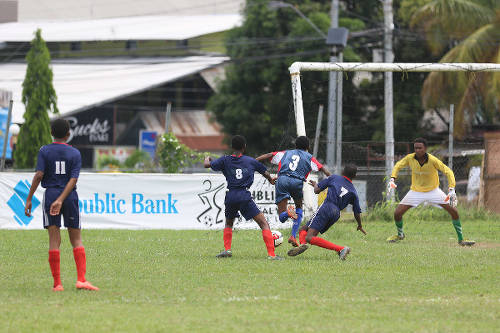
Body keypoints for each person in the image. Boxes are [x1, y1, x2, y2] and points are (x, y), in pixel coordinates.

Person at [25, 118, 99, 291]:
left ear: (51, 133)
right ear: (68, 134)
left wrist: (29, 198)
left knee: (54, 239)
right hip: (70, 196)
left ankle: (57, 284)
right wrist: (63, 199)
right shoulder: (75, 153)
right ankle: (81, 280)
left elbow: (38, 176)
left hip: (51, 195)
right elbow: (73, 179)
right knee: (76, 238)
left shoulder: (44, 150)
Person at [204, 135, 283, 260]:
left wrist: (207, 158)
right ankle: (272, 255)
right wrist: (271, 180)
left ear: (231, 147)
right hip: (244, 195)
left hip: (230, 195)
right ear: (244, 147)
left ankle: (227, 250)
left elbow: (207, 165)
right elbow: (265, 172)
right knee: (263, 223)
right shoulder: (250, 161)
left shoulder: (225, 160)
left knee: (229, 223)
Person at [386, 137, 475, 246]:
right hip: (415, 192)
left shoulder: (433, 160)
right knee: (397, 213)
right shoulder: (410, 158)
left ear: (425, 148)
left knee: (454, 212)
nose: (417, 150)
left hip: (433, 191)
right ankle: (400, 235)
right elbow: (398, 166)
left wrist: (452, 189)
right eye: (415, 148)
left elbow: (448, 171)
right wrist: (392, 179)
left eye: (420, 148)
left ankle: (461, 239)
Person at [256, 136, 330, 247]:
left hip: (282, 180)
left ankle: (288, 213)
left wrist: (253, 161)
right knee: (299, 208)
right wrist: (332, 178)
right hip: (297, 182)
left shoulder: (285, 153)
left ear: (295, 145)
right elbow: (323, 169)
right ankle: (293, 236)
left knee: (281, 216)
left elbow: (269, 155)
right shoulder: (310, 157)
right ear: (308, 147)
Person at [288, 164, 366, 260]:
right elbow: (357, 212)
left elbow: (317, 190)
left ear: (342, 172)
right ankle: (303, 245)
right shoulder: (353, 191)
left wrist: (315, 185)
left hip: (327, 207)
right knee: (303, 229)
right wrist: (359, 225)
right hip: (336, 213)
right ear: (355, 176)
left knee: (310, 237)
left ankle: (340, 249)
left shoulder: (334, 178)